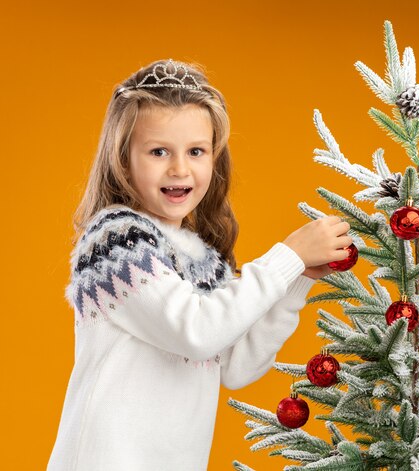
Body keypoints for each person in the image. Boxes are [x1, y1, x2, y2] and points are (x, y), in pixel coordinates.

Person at [47, 58, 352, 470]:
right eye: (158, 151)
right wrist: (288, 257)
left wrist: (295, 279)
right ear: (123, 160)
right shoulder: (116, 239)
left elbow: (236, 366)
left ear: (214, 158)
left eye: (196, 151)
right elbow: (197, 331)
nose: (179, 168)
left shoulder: (201, 256)